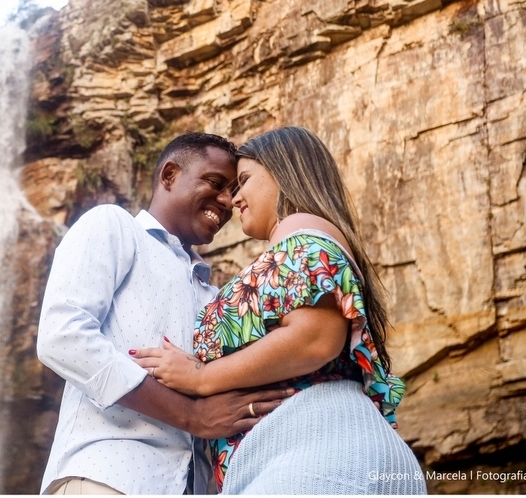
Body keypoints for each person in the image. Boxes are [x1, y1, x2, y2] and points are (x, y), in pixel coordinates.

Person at [133, 126, 427, 494]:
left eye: (243, 181)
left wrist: (199, 378)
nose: (234, 199)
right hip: (310, 453)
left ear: (284, 172)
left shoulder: (299, 229)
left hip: (312, 451)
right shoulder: (302, 241)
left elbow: (314, 340)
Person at [36, 132, 292, 495]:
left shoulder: (215, 296)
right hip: (106, 477)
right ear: (169, 175)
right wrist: (192, 417)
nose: (227, 200)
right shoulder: (114, 226)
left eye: (234, 189)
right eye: (216, 183)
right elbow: (62, 337)